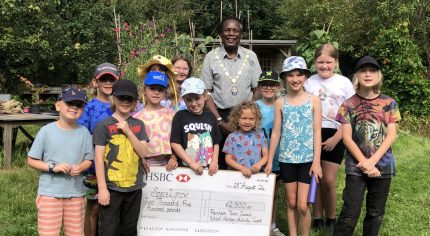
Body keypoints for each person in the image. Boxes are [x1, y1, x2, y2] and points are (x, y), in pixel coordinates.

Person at [333, 56, 401, 236]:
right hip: (356, 166)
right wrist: (364, 162)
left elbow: (392, 134)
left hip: (383, 165)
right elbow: (347, 138)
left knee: (375, 213)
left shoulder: (389, 103)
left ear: (379, 75)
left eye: (372, 70)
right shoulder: (347, 105)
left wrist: (373, 162)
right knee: (349, 213)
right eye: (363, 70)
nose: (368, 74)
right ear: (357, 75)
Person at [27, 86, 94, 236]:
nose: (74, 108)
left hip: (76, 194)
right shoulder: (46, 131)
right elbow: (31, 160)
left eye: (79, 105)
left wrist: (81, 167)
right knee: (49, 232)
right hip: (50, 194)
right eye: (70, 103)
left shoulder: (84, 133)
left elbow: (88, 159)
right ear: (58, 105)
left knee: (76, 232)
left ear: (83, 109)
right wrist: (53, 167)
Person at [303, 44, 355, 231]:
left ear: (336, 63)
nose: (324, 65)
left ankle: (331, 218)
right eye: (320, 62)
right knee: (315, 177)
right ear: (315, 62)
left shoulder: (344, 83)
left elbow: (350, 114)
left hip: (336, 133)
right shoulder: (309, 83)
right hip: (312, 133)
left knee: (329, 180)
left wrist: (336, 138)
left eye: (328, 62)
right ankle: (317, 217)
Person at [268, 56, 322, 236]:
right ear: (285, 78)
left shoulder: (313, 101)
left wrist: (317, 161)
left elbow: (317, 132)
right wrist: (269, 162)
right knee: (291, 203)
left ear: (305, 76)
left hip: (307, 159)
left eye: (299, 74)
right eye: (290, 75)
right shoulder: (280, 102)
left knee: (303, 205)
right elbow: (276, 133)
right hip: (287, 158)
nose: (295, 79)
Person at [201, 16, 262, 169]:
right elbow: (206, 92)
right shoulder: (211, 57)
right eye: (227, 30)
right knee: (218, 162)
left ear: (241, 34)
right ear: (221, 34)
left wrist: (248, 114)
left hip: (246, 118)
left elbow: (258, 88)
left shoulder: (251, 57)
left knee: (245, 160)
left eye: (235, 30)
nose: (231, 34)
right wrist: (220, 121)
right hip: (219, 115)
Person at [93, 80, 149, 236]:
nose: (125, 102)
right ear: (113, 99)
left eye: (129, 99)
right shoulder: (103, 125)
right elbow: (98, 159)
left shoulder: (139, 124)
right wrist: (102, 189)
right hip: (112, 188)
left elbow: (143, 153)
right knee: (108, 229)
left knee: (130, 229)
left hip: (134, 187)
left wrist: (128, 131)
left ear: (134, 103)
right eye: (121, 97)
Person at [78, 62, 120, 236]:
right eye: (104, 79)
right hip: (94, 167)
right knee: (94, 208)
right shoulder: (88, 108)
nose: (108, 83)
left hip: (118, 166)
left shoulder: (123, 105)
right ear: (95, 82)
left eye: (112, 79)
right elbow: (80, 136)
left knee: (114, 209)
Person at [170, 77, 222, 176]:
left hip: (209, 170)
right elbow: (175, 143)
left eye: (197, 98)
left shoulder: (211, 117)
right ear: (184, 100)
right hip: (186, 170)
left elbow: (216, 142)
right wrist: (191, 163)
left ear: (205, 96)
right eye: (189, 100)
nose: (194, 103)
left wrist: (214, 162)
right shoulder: (179, 116)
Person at [256, 71, 285, 236]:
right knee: (257, 191)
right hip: (257, 157)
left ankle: (272, 226)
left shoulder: (282, 105)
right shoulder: (254, 106)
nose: (268, 87)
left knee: (273, 193)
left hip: (277, 156)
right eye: (264, 84)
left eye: (272, 84)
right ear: (259, 87)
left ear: (278, 87)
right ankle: (255, 224)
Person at [133, 71, 177, 170]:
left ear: (165, 92)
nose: (156, 92)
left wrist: (174, 157)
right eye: (152, 88)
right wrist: (141, 159)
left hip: (168, 165)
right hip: (145, 165)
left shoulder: (171, 114)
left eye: (160, 89)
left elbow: (176, 139)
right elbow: (135, 143)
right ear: (145, 90)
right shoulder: (137, 117)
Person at [223, 101, 268, 178]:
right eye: (244, 118)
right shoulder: (232, 137)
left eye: (251, 119)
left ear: (256, 120)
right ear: (237, 119)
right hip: (236, 176)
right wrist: (242, 168)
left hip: (256, 175)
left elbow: (266, 155)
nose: (247, 122)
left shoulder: (260, 135)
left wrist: (259, 164)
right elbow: (228, 159)